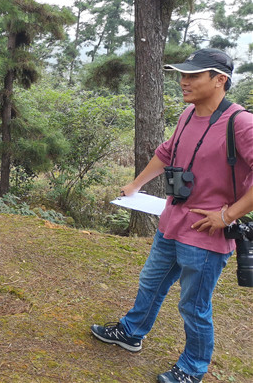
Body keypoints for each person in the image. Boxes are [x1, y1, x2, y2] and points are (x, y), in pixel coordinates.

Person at [90, 48, 253, 383]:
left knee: (194, 306)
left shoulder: (241, 123)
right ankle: (132, 332)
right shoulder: (188, 114)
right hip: (173, 220)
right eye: (182, 75)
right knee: (151, 282)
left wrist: (227, 215)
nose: (183, 81)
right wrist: (136, 184)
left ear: (219, 80)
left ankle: (193, 368)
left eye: (193, 75)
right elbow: (167, 153)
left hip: (206, 234)